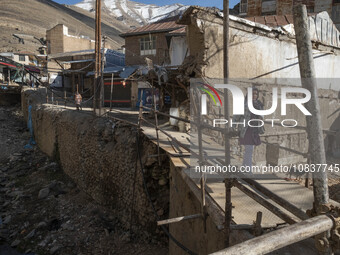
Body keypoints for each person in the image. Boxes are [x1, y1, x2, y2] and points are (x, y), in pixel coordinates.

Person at [234, 87, 264, 170]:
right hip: (246, 129)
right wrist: (233, 126)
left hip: (254, 129)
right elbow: (236, 116)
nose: (254, 95)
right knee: (249, 149)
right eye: (252, 94)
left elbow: (262, 116)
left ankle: (244, 167)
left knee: (249, 150)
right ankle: (248, 170)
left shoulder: (259, 104)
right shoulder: (244, 104)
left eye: (256, 94)